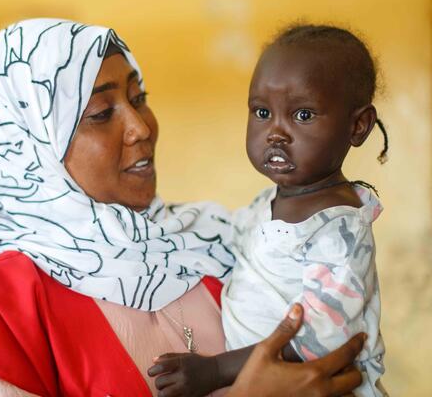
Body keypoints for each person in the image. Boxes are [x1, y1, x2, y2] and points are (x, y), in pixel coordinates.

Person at [0, 18, 365, 396]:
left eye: (138, 98)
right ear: (28, 148)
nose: (141, 127)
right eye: (102, 114)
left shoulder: (211, 242)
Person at [149, 25, 389, 397]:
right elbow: (223, 230)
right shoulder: (267, 204)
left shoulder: (340, 232)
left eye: (303, 115)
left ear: (358, 126)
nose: (275, 132)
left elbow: (319, 339)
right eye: (262, 111)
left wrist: (215, 370)